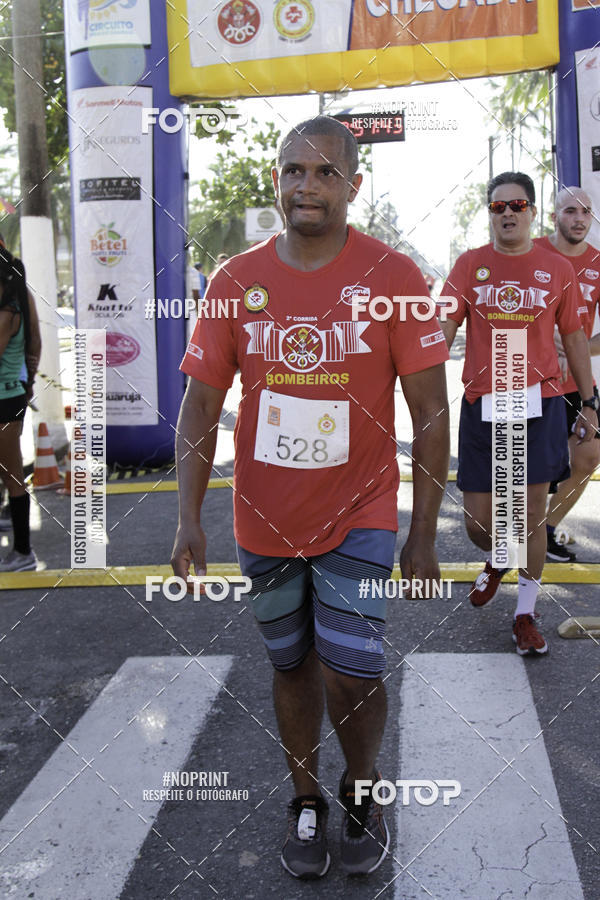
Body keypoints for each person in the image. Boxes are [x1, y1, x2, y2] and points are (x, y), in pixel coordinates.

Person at [172, 115, 450, 879]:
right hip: (262, 518)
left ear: (355, 186)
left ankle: (361, 789)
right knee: (291, 665)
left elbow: (430, 410)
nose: (308, 185)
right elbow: (199, 408)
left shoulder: (395, 279)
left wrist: (422, 533)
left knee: (351, 670)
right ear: (276, 181)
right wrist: (188, 516)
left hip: (358, 510)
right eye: (295, 170)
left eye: (326, 173)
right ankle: (306, 797)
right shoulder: (235, 281)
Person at [440, 172, 598, 656]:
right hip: (482, 405)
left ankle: (525, 614)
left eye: (517, 205)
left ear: (532, 213)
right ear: (490, 214)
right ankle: (497, 557)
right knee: (477, 521)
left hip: (540, 403)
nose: (508, 212)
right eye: (497, 207)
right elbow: (440, 329)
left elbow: (573, 339)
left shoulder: (556, 268)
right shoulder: (469, 265)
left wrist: (589, 404)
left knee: (530, 516)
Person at [533, 187, 600, 561]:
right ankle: (515, 540)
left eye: (586, 212)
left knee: (589, 458)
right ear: (554, 215)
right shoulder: (531, 252)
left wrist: (576, 347)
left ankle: (548, 529)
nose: (578, 218)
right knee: (528, 470)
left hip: (578, 383)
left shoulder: (598, 262)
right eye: (570, 210)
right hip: (531, 382)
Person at [0, 246, 41, 571]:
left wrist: (22, 385)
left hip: (5, 399)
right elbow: (36, 342)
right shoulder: (19, 300)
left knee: (13, 475)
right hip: (12, 394)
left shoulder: (7, 313)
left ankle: (24, 552)